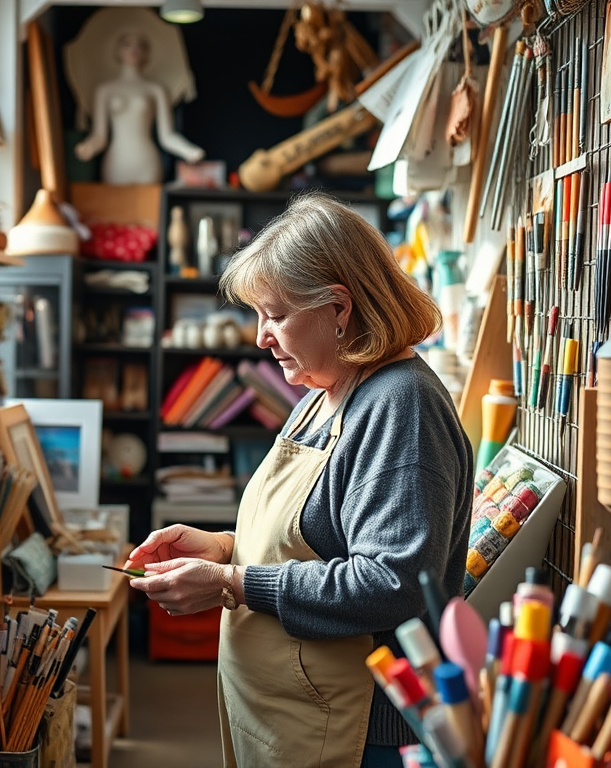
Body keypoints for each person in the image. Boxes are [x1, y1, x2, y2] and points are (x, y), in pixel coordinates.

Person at [126, 193, 474, 768]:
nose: (261, 337)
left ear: (339, 309)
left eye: (277, 315)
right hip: (289, 714)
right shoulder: (324, 391)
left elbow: (393, 583)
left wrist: (232, 583)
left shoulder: (401, 406)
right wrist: (223, 550)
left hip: (357, 733)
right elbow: (316, 542)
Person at [74, 30, 204, 185]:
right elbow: (100, 135)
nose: (134, 49)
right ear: (117, 51)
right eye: (127, 44)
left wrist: (188, 150)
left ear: (146, 53)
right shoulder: (105, 90)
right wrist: (88, 147)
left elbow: (167, 136)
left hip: (147, 162)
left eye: (140, 45)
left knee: (150, 206)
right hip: (117, 161)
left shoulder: (156, 90)